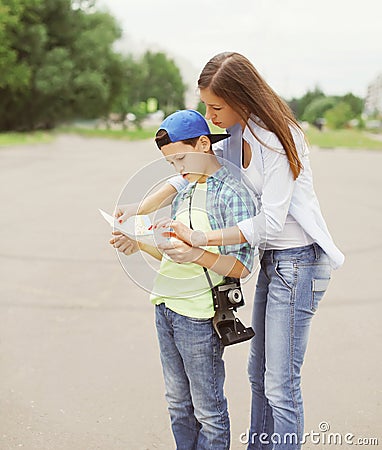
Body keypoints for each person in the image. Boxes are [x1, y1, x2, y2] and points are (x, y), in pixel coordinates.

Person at [117, 52, 345, 450]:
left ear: (242, 97)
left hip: (300, 261)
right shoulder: (237, 133)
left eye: (216, 106)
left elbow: (270, 224)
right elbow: (190, 173)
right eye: (206, 104)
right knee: (258, 375)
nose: (210, 113)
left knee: (280, 384)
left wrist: (202, 239)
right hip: (274, 261)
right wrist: (139, 208)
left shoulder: (278, 137)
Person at [111, 109, 256, 450]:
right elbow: (174, 255)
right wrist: (138, 245)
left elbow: (241, 267)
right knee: (177, 404)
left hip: (199, 316)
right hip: (165, 308)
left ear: (204, 144)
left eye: (180, 159)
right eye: (171, 164)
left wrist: (196, 253)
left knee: (208, 411)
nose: (178, 170)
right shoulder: (186, 189)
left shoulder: (231, 194)